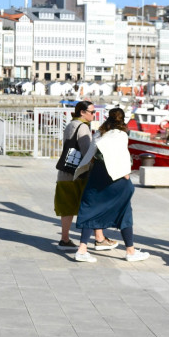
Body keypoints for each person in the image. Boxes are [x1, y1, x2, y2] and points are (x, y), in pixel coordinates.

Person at [72, 108, 150, 263]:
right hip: (117, 179)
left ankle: (82, 250)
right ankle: (130, 251)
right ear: (122, 120)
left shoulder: (99, 134)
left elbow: (90, 156)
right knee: (125, 211)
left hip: (97, 177)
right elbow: (122, 157)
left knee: (90, 210)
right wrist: (126, 176)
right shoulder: (121, 135)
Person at [54, 101, 114, 251]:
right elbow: (87, 152)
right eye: (92, 112)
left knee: (67, 207)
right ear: (82, 112)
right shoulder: (83, 128)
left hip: (65, 172)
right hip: (80, 174)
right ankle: (99, 239)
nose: (94, 115)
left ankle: (65, 239)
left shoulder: (71, 124)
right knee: (91, 205)